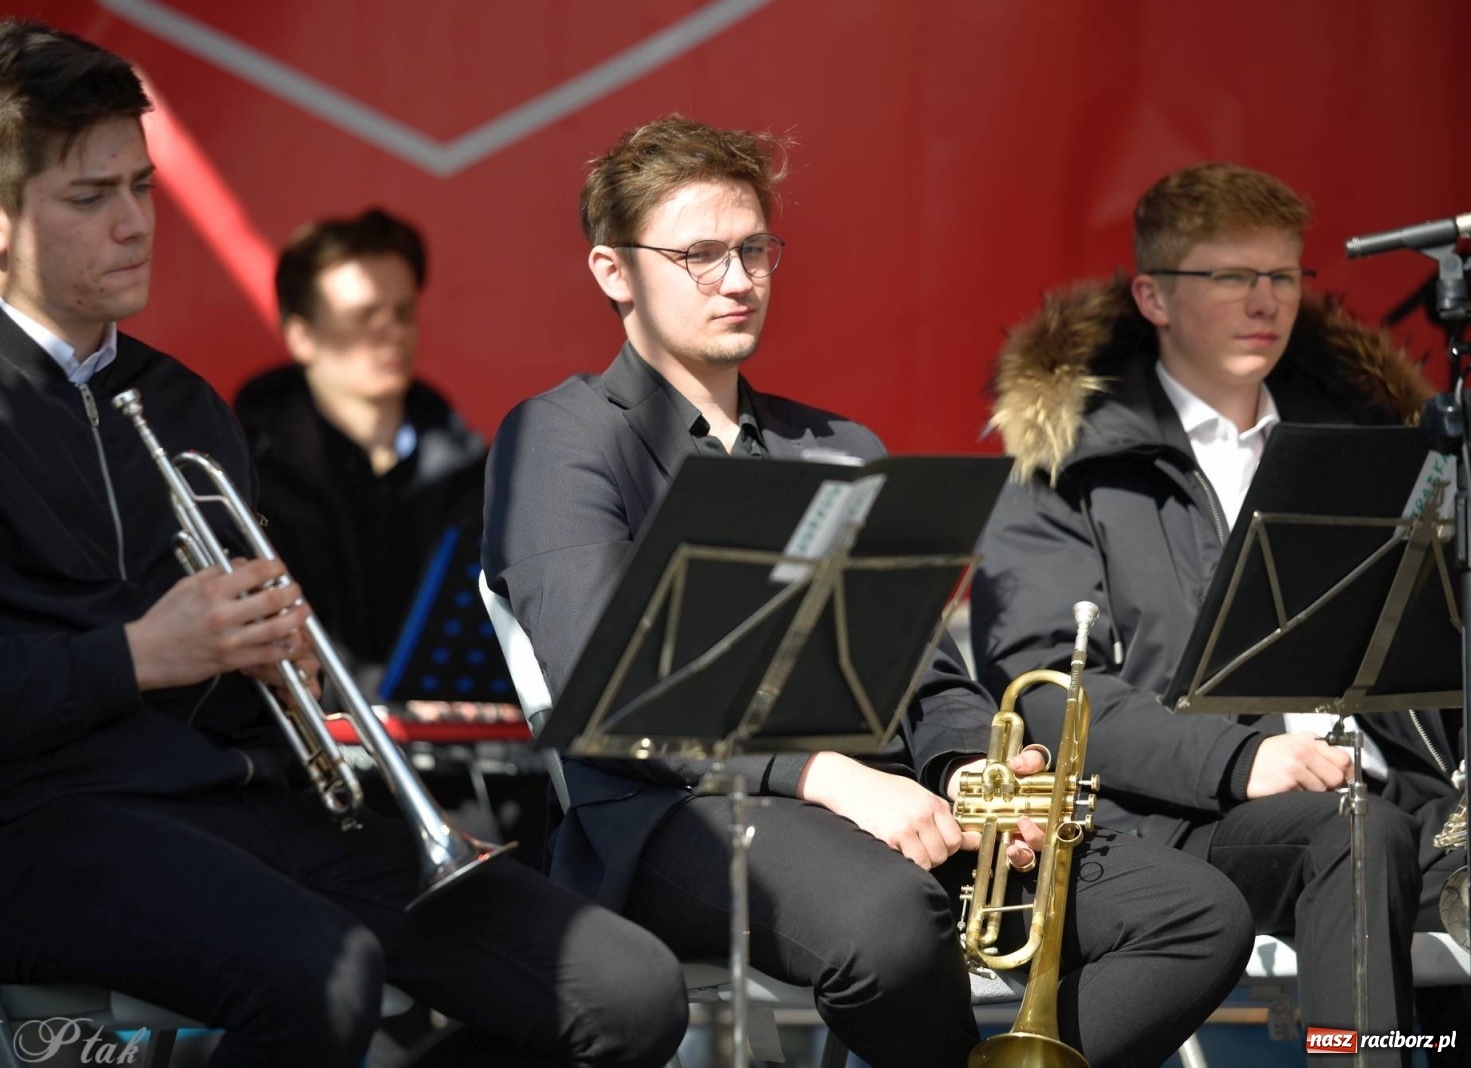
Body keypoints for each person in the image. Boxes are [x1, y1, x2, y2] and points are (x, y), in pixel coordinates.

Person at [0, 19, 686, 1067]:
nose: (134, 225)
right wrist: (134, 657)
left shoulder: (186, 404)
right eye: (91, 197)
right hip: (36, 832)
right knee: (325, 979)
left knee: (626, 988)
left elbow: (235, 689)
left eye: (143, 187)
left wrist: (284, 671)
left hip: (243, 805)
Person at [482, 115, 1255, 1068]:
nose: (737, 280)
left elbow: (922, 671)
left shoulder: (841, 446)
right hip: (675, 809)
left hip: (887, 795)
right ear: (613, 272)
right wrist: (827, 779)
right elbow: (611, 692)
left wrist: (969, 765)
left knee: (1194, 912)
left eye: (754, 250)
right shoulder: (560, 436)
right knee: (892, 925)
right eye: (698, 255)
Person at [969, 161, 1466, 1061]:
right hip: (1190, 817)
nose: (1264, 301)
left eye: (1281, 275)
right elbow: (1044, 688)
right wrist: (1240, 759)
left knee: (1373, 825)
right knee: (1355, 831)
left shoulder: (1371, 443)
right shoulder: (1069, 464)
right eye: (1230, 277)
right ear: (1153, 296)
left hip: (1410, 801)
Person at [236, 209, 486, 697]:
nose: (392, 331)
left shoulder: (471, 471)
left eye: (403, 312)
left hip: (463, 758)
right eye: (362, 317)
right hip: (314, 756)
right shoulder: (249, 477)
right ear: (300, 336)